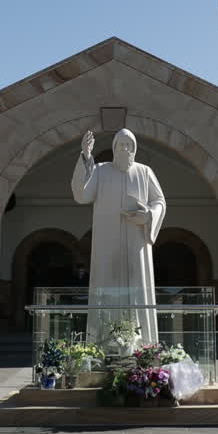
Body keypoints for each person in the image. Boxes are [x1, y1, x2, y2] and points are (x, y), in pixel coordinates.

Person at [70, 128, 166, 349]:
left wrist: (148, 215)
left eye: (128, 145)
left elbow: (159, 201)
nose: (125, 148)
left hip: (136, 240)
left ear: (134, 149)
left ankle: (144, 347)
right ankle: (102, 344)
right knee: (106, 283)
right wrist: (85, 156)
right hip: (107, 242)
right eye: (120, 145)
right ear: (114, 149)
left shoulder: (144, 172)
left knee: (138, 288)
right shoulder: (101, 171)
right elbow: (82, 194)